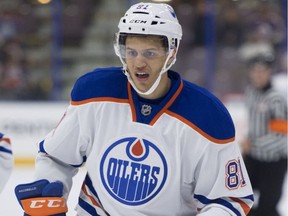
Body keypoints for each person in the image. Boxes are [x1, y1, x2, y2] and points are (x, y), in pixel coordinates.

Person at [15, 3, 254, 216]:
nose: (138, 62)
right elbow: (57, 157)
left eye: (150, 53)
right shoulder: (93, 92)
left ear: (171, 53)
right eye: (131, 52)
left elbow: (230, 199)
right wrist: (48, 193)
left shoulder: (207, 116)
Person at [241, 54, 287, 216]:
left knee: (268, 208)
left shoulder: (276, 99)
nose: (258, 74)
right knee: (240, 202)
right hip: (253, 159)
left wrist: (253, 144)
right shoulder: (251, 92)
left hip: (273, 162)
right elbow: (254, 125)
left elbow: (281, 136)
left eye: (262, 71)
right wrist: (248, 141)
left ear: (269, 73)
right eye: (255, 71)